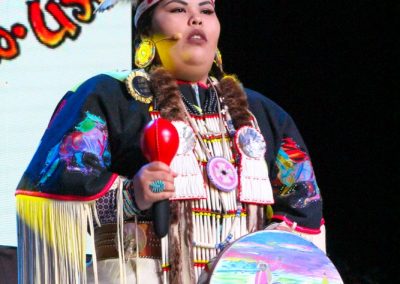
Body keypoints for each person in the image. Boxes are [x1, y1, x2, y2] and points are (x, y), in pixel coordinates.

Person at [16, 0, 325, 283]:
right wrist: (130, 194)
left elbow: (302, 204)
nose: (196, 20)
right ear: (147, 29)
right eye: (178, 9)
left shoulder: (263, 114)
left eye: (206, 11)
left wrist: (265, 251)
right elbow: (55, 182)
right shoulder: (110, 96)